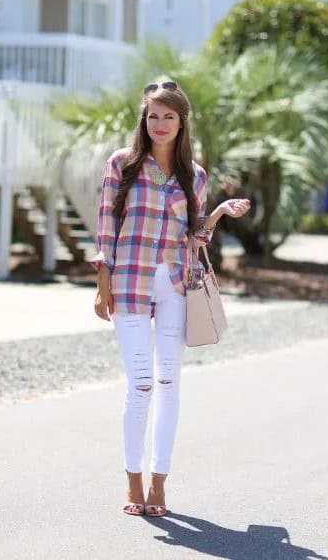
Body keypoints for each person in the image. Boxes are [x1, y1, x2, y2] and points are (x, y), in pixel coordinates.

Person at [90, 81, 250, 517]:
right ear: (144, 120)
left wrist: (216, 213)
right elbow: (106, 225)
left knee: (168, 383)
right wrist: (103, 281)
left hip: (176, 284)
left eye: (169, 117)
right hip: (130, 282)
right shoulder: (121, 165)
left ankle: (159, 483)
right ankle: (133, 480)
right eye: (153, 116)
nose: (160, 124)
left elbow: (194, 237)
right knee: (140, 382)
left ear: (182, 123)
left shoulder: (194, 175)